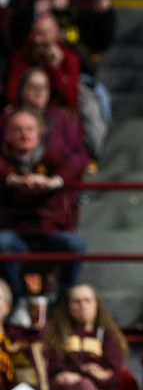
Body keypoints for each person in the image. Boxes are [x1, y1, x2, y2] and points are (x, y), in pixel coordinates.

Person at [0, 107, 87, 308]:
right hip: (14, 232)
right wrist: (11, 180)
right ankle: (19, 300)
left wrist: (55, 181)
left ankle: (61, 303)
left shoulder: (53, 155)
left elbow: (77, 162)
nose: (24, 135)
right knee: (1, 244)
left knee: (76, 246)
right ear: (7, 134)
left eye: (30, 129)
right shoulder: (4, 160)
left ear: (39, 133)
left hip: (49, 231)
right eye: (18, 129)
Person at [43, 284, 127, 390]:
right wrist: (86, 370)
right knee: (84, 387)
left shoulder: (109, 336)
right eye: (77, 301)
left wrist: (79, 375)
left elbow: (111, 375)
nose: (83, 305)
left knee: (86, 387)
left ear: (96, 305)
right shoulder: (56, 334)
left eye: (87, 300)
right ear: (68, 306)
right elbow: (56, 371)